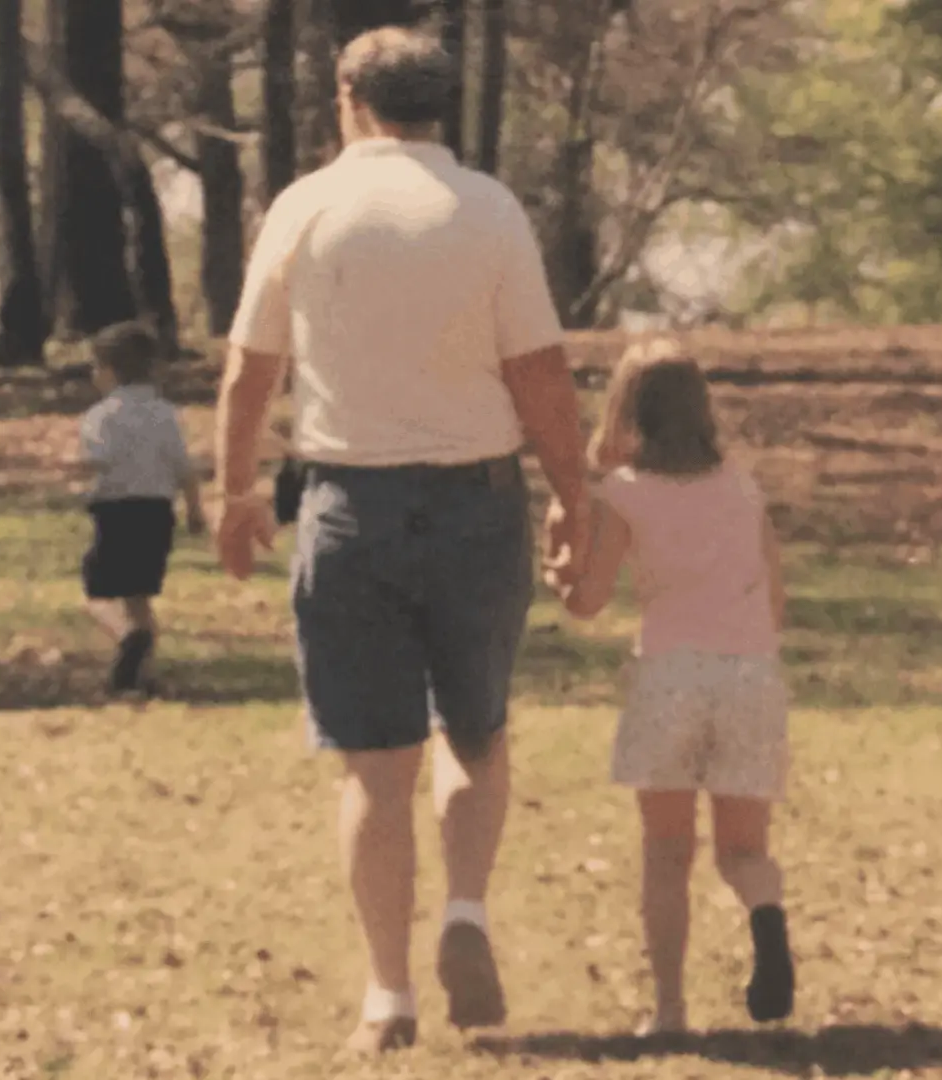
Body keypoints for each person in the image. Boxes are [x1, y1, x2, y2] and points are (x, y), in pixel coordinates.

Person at [211, 26, 592, 1055]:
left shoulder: (307, 208)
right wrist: (576, 495)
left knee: (373, 767)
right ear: (440, 104)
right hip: (474, 500)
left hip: (348, 505)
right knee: (474, 730)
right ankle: (465, 910)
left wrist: (235, 491)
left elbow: (250, 371)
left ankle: (387, 996)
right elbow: (541, 374)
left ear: (348, 99)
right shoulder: (486, 210)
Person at [545, 339, 797, 1035]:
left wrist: (558, 571)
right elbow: (775, 597)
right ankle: (765, 914)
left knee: (665, 852)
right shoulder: (743, 487)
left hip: (671, 676)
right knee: (744, 851)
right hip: (750, 674)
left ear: (626, 411)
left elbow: (590, 599)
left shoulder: (622, 496)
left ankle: (669, 1009)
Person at [76, 321, 207, 695]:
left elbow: (97, 460)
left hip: (115, 512)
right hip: (156, 512)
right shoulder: (165, 413)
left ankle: (127, 637)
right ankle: (142, 676)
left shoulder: (101, 416)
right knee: (140, 597)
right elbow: (184, 467)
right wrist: (195, 510)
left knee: (97, 596)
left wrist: (72, 471)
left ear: (110, 371)